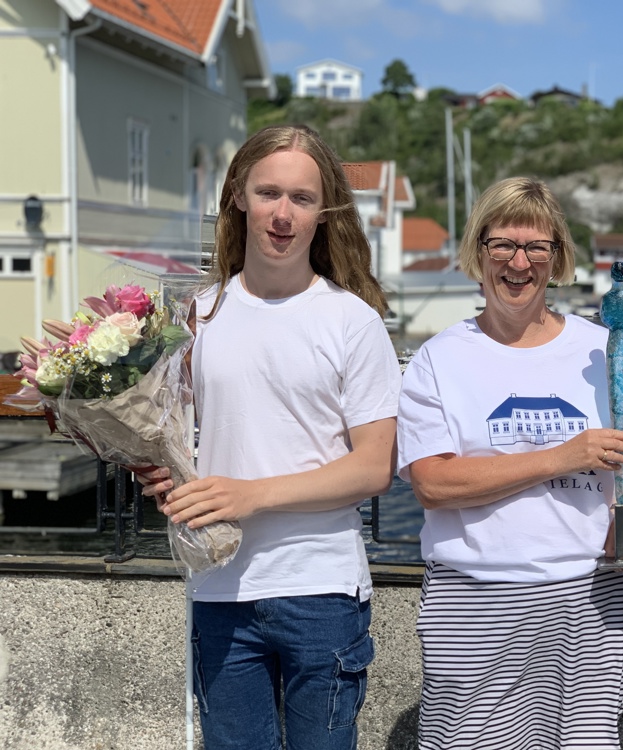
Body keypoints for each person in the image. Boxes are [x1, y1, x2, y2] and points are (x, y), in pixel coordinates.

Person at [140, 124, 401, 750]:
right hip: (219, 585)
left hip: (321, 588)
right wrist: (157, 472)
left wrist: (248, 495)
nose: (282, 214)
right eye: (268, 193)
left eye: (302, 199)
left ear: (323, 214)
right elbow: (171, 441)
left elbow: (373, 469)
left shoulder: (353, 322)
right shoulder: (195, 317)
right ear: (237, 196)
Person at [396, 177, 623, 750]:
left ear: (557, 257)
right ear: (478, 251)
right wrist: (563, 455)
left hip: (592, 596)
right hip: (475, 599)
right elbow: (433, 484)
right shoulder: (440, 359)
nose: (520, 263)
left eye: (537, 247)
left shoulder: (603, 347)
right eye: (503, 246)